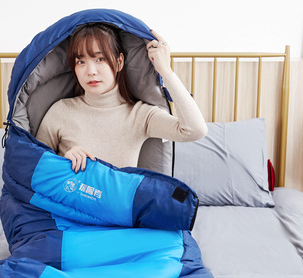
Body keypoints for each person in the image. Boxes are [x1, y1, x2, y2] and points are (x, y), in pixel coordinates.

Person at [36, 23, 207, 173]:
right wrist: (63, 161)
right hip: (67, 199)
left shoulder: (140, 115)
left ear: (119, 62)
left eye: (100, 59)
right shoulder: (60, 111)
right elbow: (34, 166)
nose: (91, 71)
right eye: (81, 62)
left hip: (118, 201)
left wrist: (165, 70)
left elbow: (195, 130)